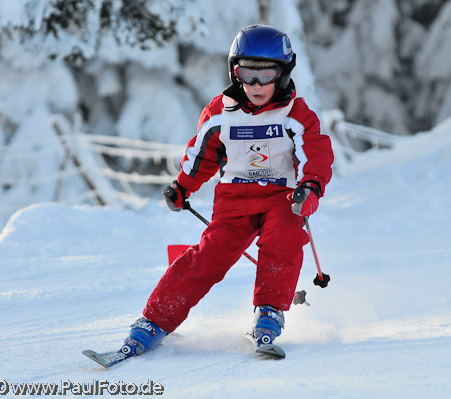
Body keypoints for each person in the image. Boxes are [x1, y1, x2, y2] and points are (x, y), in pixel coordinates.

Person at [120, 24, 334, 356]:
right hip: (234, 200)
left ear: (284, 73)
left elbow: (316, 153)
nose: (257, 85)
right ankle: (155, 320)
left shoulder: (296, 115)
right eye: (248, 74)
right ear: (235, 72)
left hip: (282, 197)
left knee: (283, 238)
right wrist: (182, 186)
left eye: (267, 74)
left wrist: (310, 187)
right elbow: (201, 154)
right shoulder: (221, 112)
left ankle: (268, 311)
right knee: (206, 257)